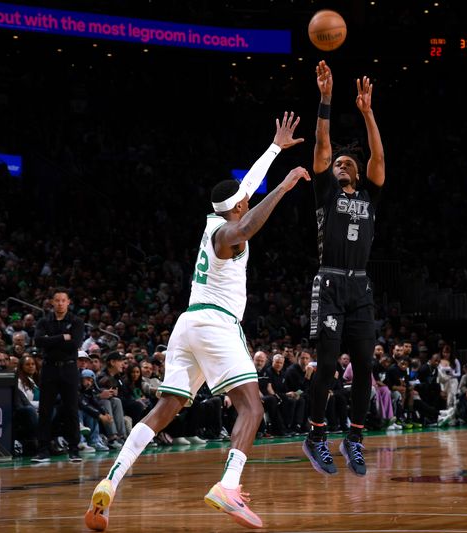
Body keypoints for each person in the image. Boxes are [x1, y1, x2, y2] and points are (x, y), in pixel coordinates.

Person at [84, 112, 308, 531]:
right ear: (238, 208)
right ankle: (228, 484)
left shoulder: (215, 218)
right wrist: (284, 185)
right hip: (215, 324)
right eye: (245, 198)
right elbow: (251, 220)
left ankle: (109, 484)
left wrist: (276, 147)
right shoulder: (227, 234)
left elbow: (245, 189)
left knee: (165, 408)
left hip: (187, 325)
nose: (248, 197)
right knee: (252, 407)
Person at [303, 60, 385, 478]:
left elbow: (377, 157)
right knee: (329, 363)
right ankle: (316, 435)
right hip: (331, 281)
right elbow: (321, 146)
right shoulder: (325, 193)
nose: (341, 163)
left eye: (346, 163)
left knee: (366, 366)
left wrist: (368, 112)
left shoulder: (369, 194)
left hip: (360, 287)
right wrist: (327, 99)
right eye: (338, 163)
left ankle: (353, 436)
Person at [31, 288, 85, 463]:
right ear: (52, 302)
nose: (60, 303)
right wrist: (62, 337)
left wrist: (51, 340)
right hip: (49, 368)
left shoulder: (76, 321)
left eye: (63, 300)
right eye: (57, 300)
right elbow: (39, 342)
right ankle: (43, 450)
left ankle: (74, 450)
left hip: (69, 369)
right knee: (45, 410)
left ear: (68, 302)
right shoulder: (44, 321)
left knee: (71, 409)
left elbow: (75, 343)